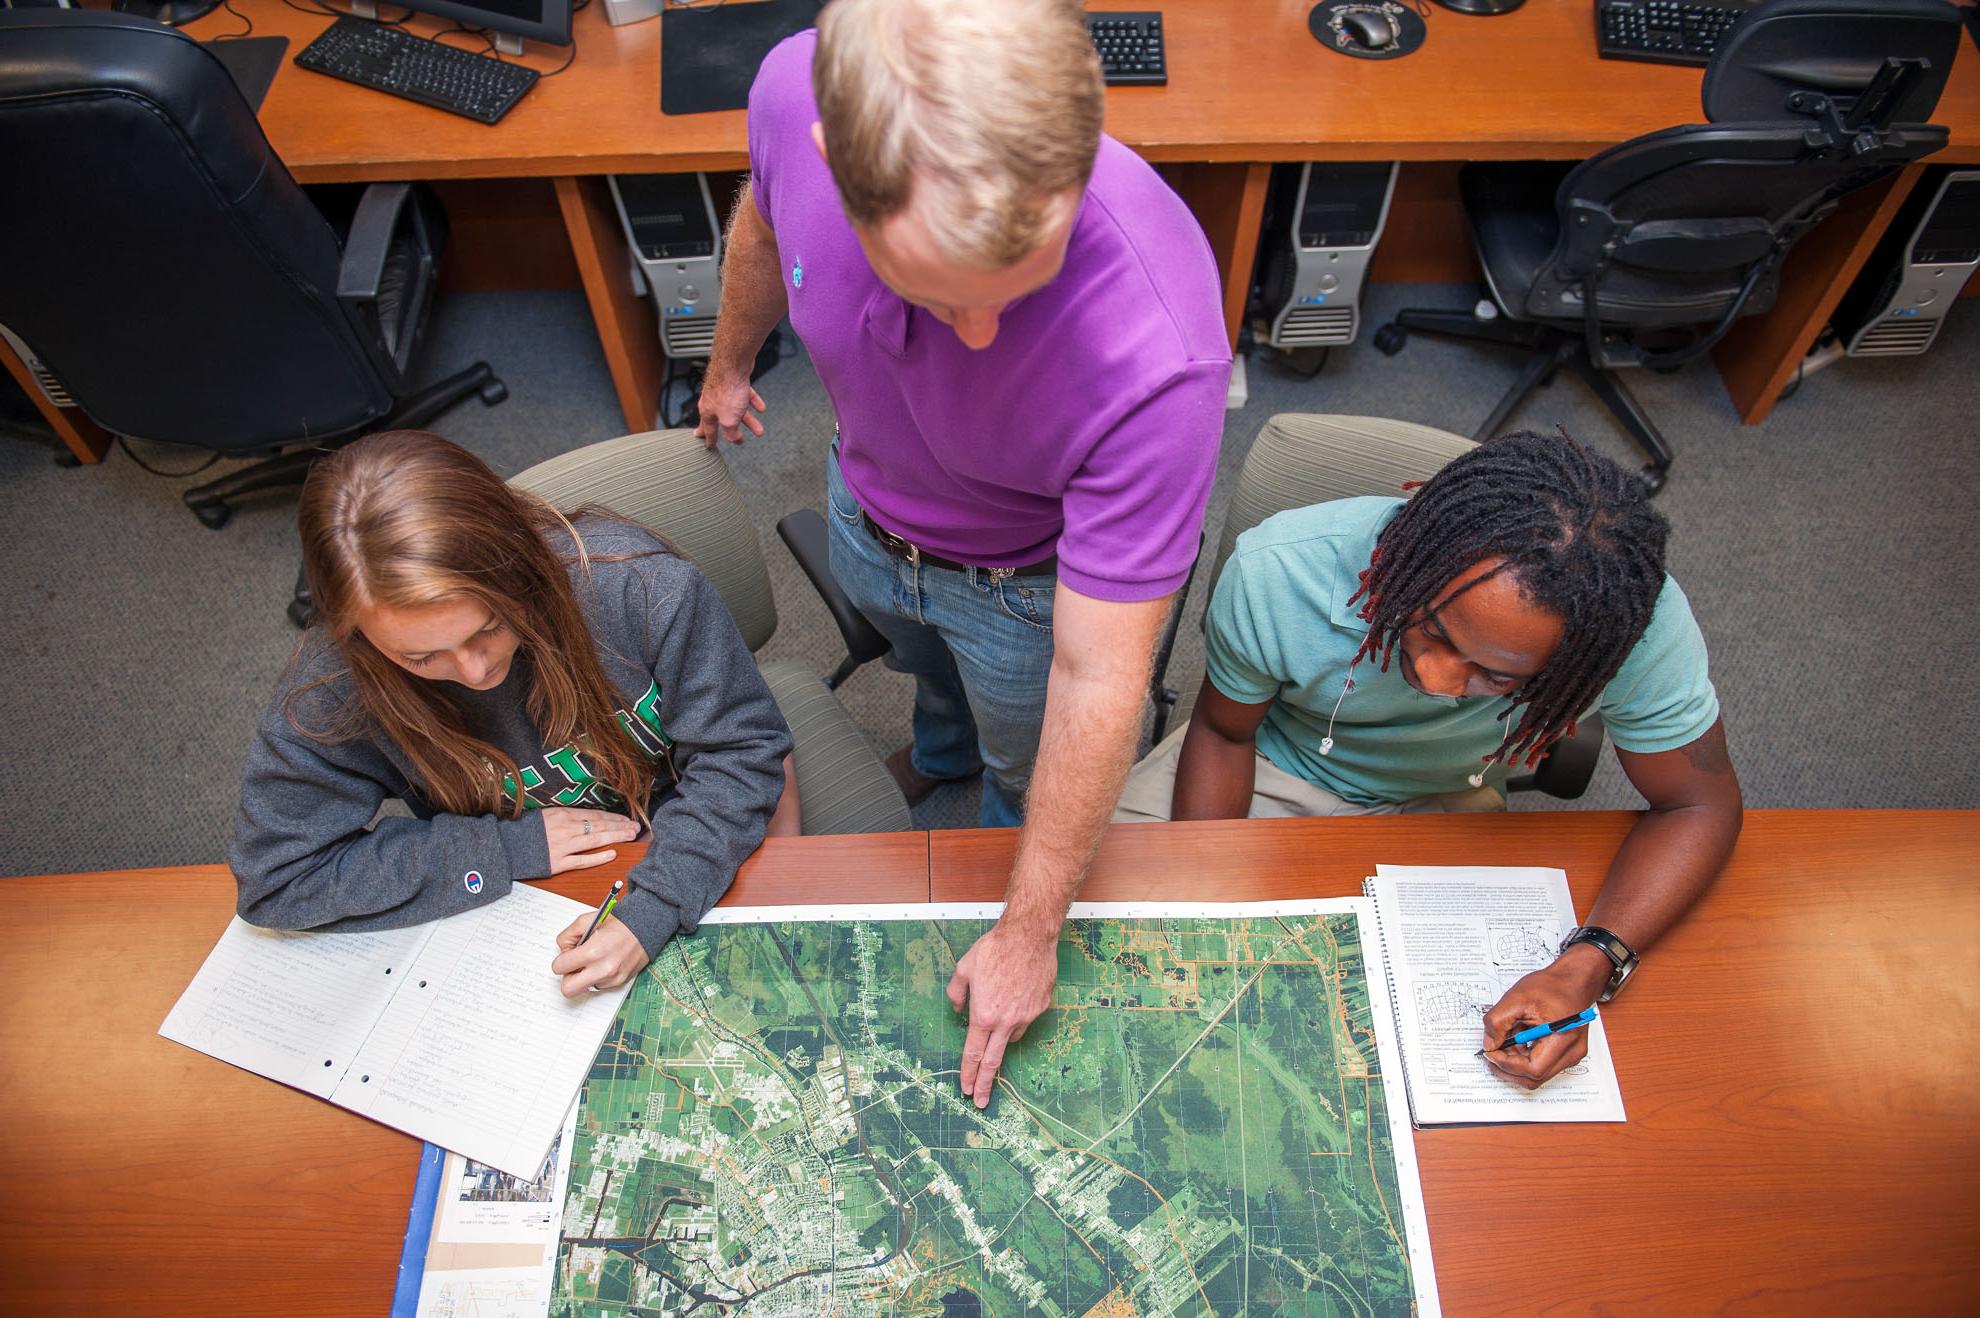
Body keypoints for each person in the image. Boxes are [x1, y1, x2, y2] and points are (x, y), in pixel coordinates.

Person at [693, 0, 1230, 1107]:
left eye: (1015, 288)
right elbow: (760, 226)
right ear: (833, 156)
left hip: (1031, 595)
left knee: (1021, 776)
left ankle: (982, 831)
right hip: (868, 516)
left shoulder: (1160, 353)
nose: (975, 340)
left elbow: (1099, 672)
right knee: (919, 673)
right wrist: (729, 362)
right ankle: (941, 756)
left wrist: (1032, 932)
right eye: (933, 295)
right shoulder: (797, 92)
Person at [1114, 429, 1744, 1089]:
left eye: (1496, 676)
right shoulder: (1280, 569)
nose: (1442, 681)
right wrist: (1206, 899)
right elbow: (1223, 732)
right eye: (1434, 631)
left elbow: (1698, 803)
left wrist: (1586, 963)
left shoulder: (1631, 630)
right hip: (1271, 758)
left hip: (1450, 797)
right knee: (1117, 945)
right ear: (1404, 560)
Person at [229, 431, 794, 996]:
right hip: (536, 874)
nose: (474, 672)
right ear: (355, 636)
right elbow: (279, 880)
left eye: (490, 627)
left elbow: (743, 752)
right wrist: (501, 849)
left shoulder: (639, 588)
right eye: (419, 657)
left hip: (698, 819)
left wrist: (657, 905)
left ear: (521, 565)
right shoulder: (336, 688)